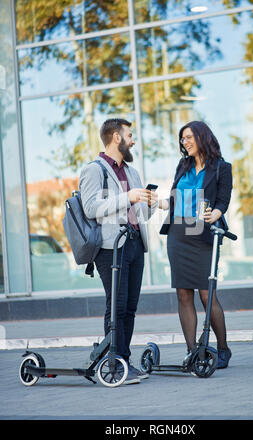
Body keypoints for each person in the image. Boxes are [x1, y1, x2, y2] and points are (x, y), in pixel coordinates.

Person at [79, 118, 158, 384]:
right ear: (116, 137)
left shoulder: (132, 173)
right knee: (117, 306)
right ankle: (113, 363)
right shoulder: (94, 170)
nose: (133, 140)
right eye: (129, 135)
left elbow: (141, 213)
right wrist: (129, 197)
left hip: (135, 242)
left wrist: (151, 202)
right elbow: (91, 208)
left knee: (130, 308)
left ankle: (123, 360)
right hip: (111, 247)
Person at [159, 120, 233, 369]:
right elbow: (175, 197)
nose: (185, 142)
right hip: (179, 232)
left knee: (206, 294)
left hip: (202, 232)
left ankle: (222, 349)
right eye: (182, 139)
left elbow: (223, 199)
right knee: (183, 293)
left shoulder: (222, 168)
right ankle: (192, 352)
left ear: (202, 137)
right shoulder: (183, 165)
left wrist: (217, 212)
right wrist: (160, 202)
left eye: (189, 137)